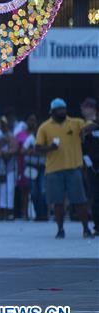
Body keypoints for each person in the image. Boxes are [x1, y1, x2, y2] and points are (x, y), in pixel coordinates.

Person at [35, 98, 98, 238]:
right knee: (58, 203)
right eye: (59, 109)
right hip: (54, 170)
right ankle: (60, 229)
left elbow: (92, 126)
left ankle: (86, 229)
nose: (62, 111)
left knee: (80, 201)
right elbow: (37, 147)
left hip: (73, 168)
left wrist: (86, 129)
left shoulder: (75, 123)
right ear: (52, 111)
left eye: (64, 109)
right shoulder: (44, 127)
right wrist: (50, 148)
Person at [17, 114, 47, 220]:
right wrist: (32, 151)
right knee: (34, 190)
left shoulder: (45, 137)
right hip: (32, 166)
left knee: (43, 190)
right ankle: (38, 214)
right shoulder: (30, 138)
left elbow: (48, 149)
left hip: (42, 166)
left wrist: (41, 151)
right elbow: (22, 150)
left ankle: (44, 214)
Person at [81, 97, 99, 233]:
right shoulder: (88, 128)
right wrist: (89, 165)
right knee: (95, 196)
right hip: (93, 168)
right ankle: (97, 226)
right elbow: (84, 149)